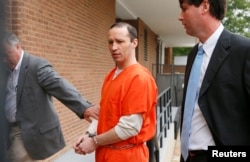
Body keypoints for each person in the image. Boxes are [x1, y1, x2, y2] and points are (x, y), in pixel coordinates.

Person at [2, 31, 100, 162]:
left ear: (18, 47)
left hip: (27, 129)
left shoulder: (35, 66)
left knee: (14, 158)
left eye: (6, 54)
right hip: (7, 128)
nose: (3, 59)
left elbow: (60, 86)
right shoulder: (5, 70)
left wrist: (84, 108)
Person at [73, 22, 158, 162]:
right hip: (105, 153)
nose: (114, 47)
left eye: (120, 41)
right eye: (110, 42)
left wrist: (94, 142)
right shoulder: (111, 76)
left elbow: (129, 127)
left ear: (134, 43)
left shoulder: (139, 78)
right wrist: (89, 134)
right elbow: (103, 113)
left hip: (127, 156)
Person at [178, 0, 250, 162]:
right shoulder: (193, 55)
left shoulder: (244, 51)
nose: (180, 17)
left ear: (205, 6)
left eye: (184, 9)